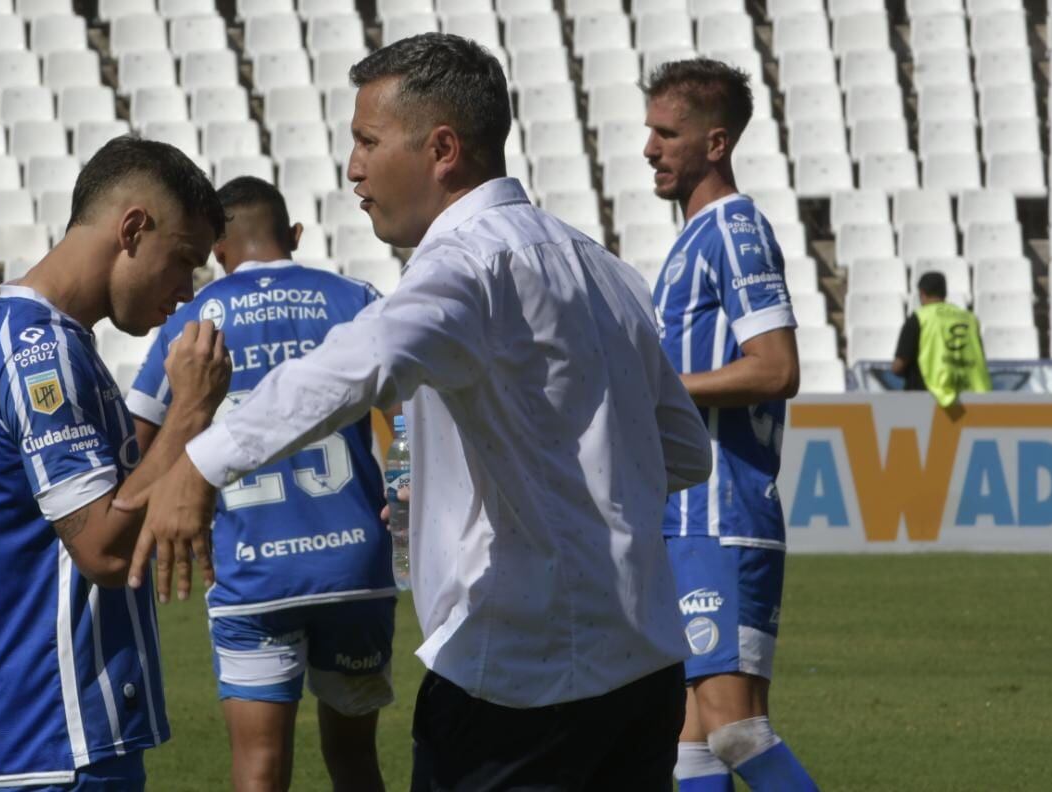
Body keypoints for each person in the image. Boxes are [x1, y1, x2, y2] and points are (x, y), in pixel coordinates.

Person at [119, 33, 714, 791]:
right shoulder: (603, 268)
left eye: (367, 141)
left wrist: (201, 464)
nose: (353, 168)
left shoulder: (468, 264)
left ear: (442, 148)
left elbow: (360, 360)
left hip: (520, 685)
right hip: (643, 674)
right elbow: (684, 450)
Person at [0, 136, 232, 791]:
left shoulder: (12, 334)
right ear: (132, 229)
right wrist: (188, 413)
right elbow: (102, 552)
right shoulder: (41, 357)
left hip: (32, 719)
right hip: (59, 729)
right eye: (183, 260)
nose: (186, 293)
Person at [126, 176, 395, 792]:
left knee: (258, 770)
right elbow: (413, 410)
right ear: (294, 236)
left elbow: (140, 442)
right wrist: (403, 492)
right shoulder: (355, 297)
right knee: (357, 764)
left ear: (217, 248)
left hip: (250, 571)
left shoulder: (192, 321)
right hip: (355, 567)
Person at [643, 58, 818, 792]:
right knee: (691, 739)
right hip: (687, 518)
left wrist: (655, 390)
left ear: (716, 143)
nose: (650, 148)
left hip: (722, 513)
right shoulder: (691, 238)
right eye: (649, 131)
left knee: (734, 727)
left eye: (667, 133)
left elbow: (776, 367)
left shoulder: (733, 229)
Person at [892, 271, 990, 407]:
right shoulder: (970, 318)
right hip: (970, 399)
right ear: (945, 293)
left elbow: (898, 366)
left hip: (928, 400)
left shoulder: (919, 318)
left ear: (922, 293)